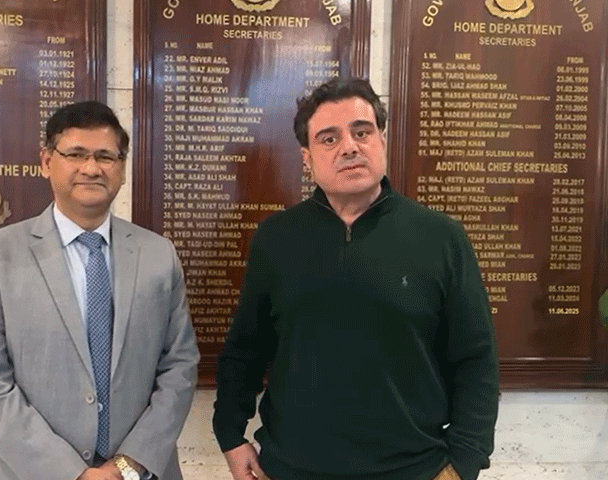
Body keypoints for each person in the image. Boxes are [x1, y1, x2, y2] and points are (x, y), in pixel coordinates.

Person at [212, 77, 499, 480]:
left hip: (414, 470)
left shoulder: (441, 238)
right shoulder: (275, 239)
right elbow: (245, 350)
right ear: (307, 158)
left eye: (361, 132)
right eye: (329, 138)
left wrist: (465, 462)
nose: (349, 147)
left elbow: (476, 359)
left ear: (382, 140)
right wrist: (230, 435)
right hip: (291, 469)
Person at [0, 101, 199, 480]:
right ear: (46, 161)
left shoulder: (158, 254)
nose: (91, 168)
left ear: (121, 167)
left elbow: (179, 367)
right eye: (76, 154)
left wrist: (126, 466)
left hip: (138, 473)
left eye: (106, 156)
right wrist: (73, 473)